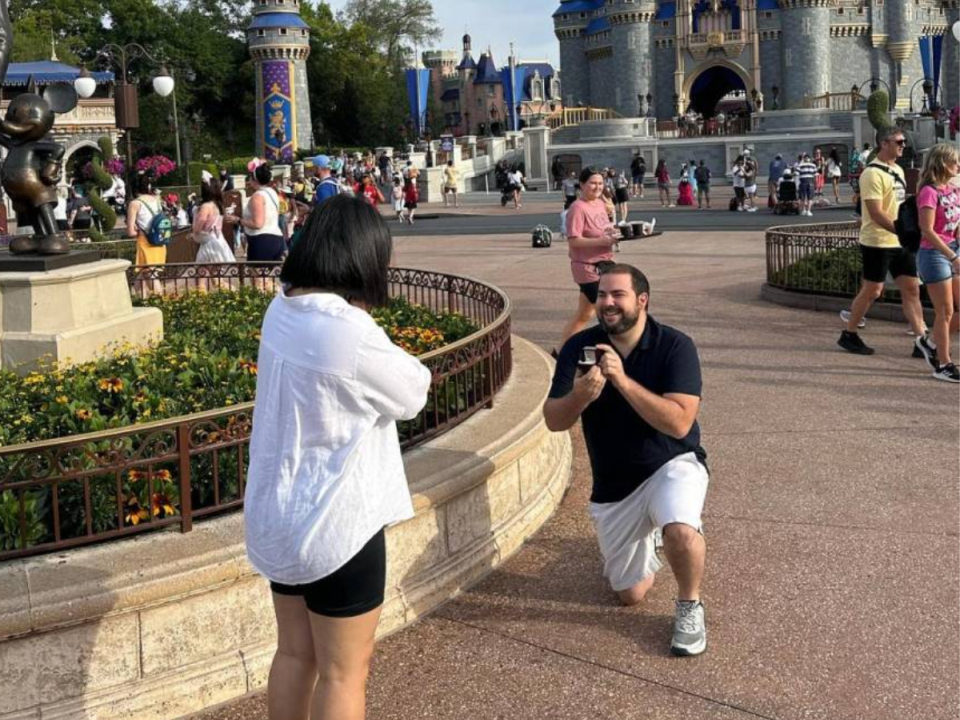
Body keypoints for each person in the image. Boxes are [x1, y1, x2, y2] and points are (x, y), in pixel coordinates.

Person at [245, 195, 431, 720]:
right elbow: (413, 391)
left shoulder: (281, 308)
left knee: (294, 654)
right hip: (337, 526)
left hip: (280, 514)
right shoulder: (349, 331)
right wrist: (362, 318)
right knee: (345, 672)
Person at [543, 263, 710, 657]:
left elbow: (680, 422)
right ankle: (654, 531)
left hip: (672, 463)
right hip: (615, 485)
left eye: (617, 295)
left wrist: (621, 380)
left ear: (642, 300)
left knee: (682, 532)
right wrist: (581, 396)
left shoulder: (675, 346)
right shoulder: (578, 348)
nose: (607, 303)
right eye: (602, 295)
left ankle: (690, 605)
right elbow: (554, 420)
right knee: (630, 594)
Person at [838, 126, 927, 355]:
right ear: (883, 143)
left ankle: (922, 341)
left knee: (911, 289)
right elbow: (876, 212)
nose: (903, 145)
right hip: (877, 240)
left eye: (903, 142)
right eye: (898, 142)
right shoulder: (871, 174)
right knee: (873, 290)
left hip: (898, 241)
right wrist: (901, 231)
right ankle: (849, 333)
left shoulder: (897, 169)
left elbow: (897, 205)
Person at [558, 168, 622, 347]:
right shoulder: (577, 208)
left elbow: (603, 228)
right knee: (610, 310)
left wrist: (614, 233)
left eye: (600, 183)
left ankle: (560, 351)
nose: (597, 187)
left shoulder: (600, 203)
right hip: (588, 267)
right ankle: (614, 350)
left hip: (606, 262)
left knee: (584, 315)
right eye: (593, 183)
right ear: (582, 185)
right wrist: (602, 240)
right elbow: (574, 241)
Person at [914, 143, 960, 382]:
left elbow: (956, 224)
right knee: (945, 310)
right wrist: (953, 257)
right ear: (943, 163)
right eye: (955, 162)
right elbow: (927, 230)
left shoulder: (953, 190)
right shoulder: (929, 192)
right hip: (934, 254)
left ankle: (930, 342)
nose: (959, 166)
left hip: (953, 250)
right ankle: (943, 364)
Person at [226, 163, 285, 262]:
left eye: (249, 177)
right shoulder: (272, 192)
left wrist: (237, 220)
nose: (248, 180)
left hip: (262, 240)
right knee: (268, 276)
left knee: (258, 277)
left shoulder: (258, 196)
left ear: (254, 179)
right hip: (277, 238)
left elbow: (257, 224)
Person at [126, 172, 166, 266]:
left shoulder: (135, 203)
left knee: (151, 276)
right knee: (145, 276)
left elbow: (131, 232)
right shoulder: (156, 200)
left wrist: (137, 230)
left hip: (146, 242)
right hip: (160, 240)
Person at [192, 177, 235, 264]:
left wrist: (194, 230)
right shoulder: (217, 205)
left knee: (203, 273)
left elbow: (197, 227)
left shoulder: (206, 206)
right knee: (215, 274)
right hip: (218, 239)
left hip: (209, 241)